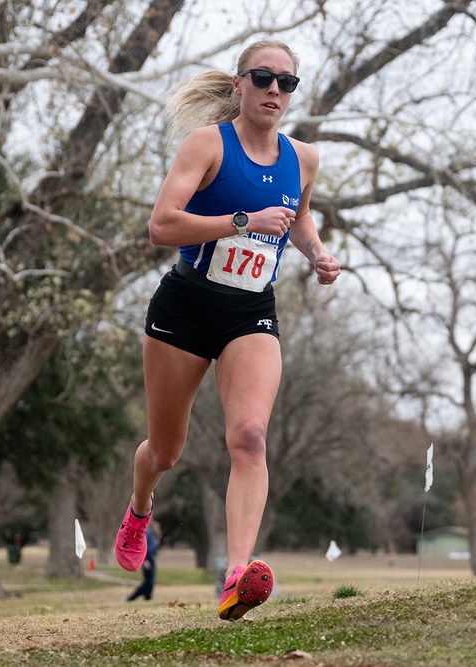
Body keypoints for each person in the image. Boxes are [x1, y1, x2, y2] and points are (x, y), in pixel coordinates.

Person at [114, 39, 341, 622]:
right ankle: (140, 510)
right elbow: (161, 226)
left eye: (286, 82)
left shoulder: (303, 158)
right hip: (185, 307)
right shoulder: (208, 144)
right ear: (239, 84)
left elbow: (299, 213)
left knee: (249, 437)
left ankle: (238, 575)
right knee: (165, 452)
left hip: (250, 311)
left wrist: (315, 251)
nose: (274, 90)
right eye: (263, 77)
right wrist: (241, 220)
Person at [126, 523, 159, 602]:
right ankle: (132, 597)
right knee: (148, 581)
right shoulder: (147, 533)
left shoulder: (152, 535)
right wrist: (144, 560)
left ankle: (147, 598)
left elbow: (153, 548)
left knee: (150, 581)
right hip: (146, 558)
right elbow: (143, 546)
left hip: (151, 558)